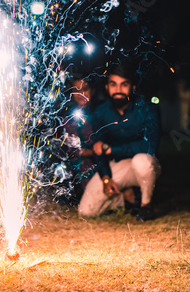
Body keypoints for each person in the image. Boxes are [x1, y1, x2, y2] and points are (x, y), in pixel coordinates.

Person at [78, 65, 161, 221]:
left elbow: (149, 146)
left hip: (146, 165)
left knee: (142, 161)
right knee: (86, 211)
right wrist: (106, 178)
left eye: (124, 84)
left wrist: (111, 149)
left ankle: (146, 206)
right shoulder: (100, 113)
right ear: (107, 87)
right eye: (113, 84)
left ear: (133, 87)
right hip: (119, 166)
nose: (118, 89)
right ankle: (126, 198)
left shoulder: (148, 109)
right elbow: (98, 149)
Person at [58, 76, 97, 204]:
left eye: (84, 89)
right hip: (72, 164)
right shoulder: (67, 117)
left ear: (93, 90)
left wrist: (90, 152)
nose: (81, 94)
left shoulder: (99, 115)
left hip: (94, 163)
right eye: (76, 90)